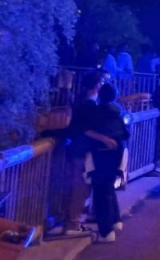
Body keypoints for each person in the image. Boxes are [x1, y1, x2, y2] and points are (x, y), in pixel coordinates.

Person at [49, 71, 102, 236]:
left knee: (73, 185)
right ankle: (73, 223)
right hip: (82, 150)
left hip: (74, 148)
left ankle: (69, 220)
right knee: (80, 187)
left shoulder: (78, 102)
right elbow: (87, 129)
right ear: (97, 85)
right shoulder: (90, 105)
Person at [85, 83, 130, 243]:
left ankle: (106, 232)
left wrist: (103, 139)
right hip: (118, 153)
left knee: (100, 191)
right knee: (109, 188)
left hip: (101, 154)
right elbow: (126, 133)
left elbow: (87, 130)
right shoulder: (118, 112)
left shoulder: (97, 113)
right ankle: (116, 220)